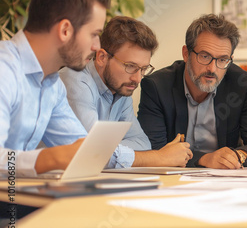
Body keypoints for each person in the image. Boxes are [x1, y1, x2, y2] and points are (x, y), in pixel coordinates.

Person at [0, 0, 109, 177]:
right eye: (94, 34)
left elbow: (78, 150)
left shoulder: (52, 85)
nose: (97, 46)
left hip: (13, 199)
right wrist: (52, 158)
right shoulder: (4, 68)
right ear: (65, 30)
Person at [137, 14, 247, 169]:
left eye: (222, 60)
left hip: (225, 180)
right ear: (186, 54)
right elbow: (154, 150)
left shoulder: (243, 86)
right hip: (174, 181)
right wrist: (203, 159)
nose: (212, 69)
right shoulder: (157, 86)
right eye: (204, 56)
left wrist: (237, 156)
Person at [60, 16, 192, 168]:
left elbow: (142, 143)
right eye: (130, 66)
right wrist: (159, 157)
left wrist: (107, 148)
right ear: (102, 57)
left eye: (143, 69)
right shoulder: (75, 82)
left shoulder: (122, 90)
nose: (137, 79)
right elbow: (91, 153)